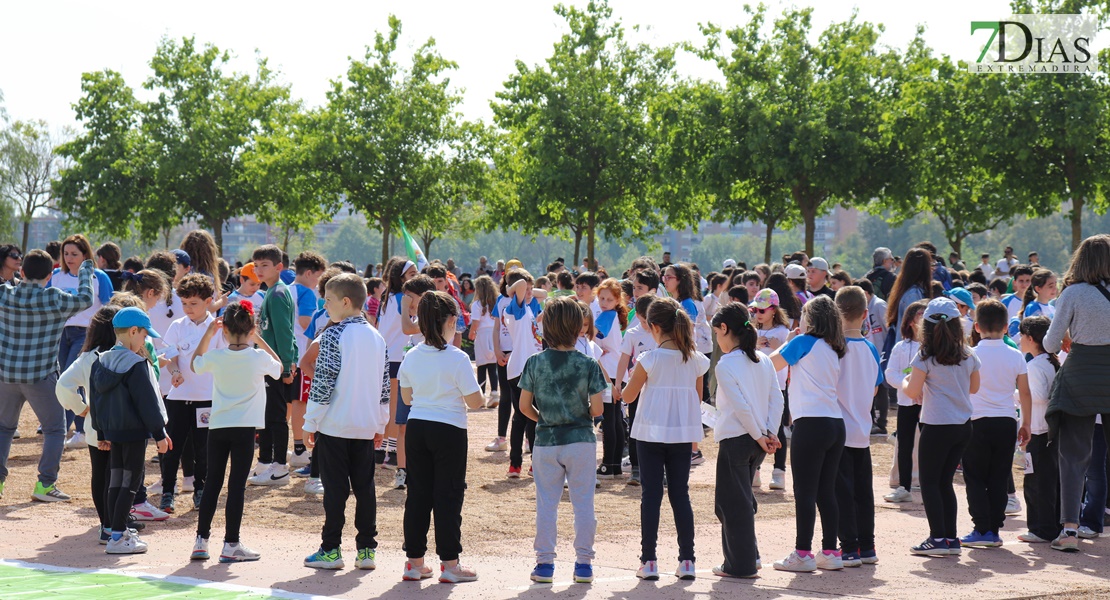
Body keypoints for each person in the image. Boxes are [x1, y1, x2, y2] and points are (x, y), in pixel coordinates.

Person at [517, 297, 607, 585]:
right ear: (577, 327)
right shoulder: (589, 364)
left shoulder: (534, 362)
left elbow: (523, 406)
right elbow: (598, 409)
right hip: (581, 439)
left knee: (546, 504)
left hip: (546, 440)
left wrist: (544, 418)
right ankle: (584, 563)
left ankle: (544, 564)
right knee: (584, 504)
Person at [302, 273, 389, 570]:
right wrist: (380, 424)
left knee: (335, 489)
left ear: (345, 301)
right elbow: (384, 386)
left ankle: (331, 549)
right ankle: (366, 550)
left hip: (336, 424)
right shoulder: (377, 337)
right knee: (365, 489)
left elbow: (323, 382)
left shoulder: (333, 334)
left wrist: (309, 422)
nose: (324, 305)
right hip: (365, 425)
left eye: (328, 299)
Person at [620, 297, 709, 581]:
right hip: (681, 434)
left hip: (649, 433)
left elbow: (628, 396)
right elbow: (697, 398)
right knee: (680, 494)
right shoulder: (694, 359)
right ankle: (687, 560)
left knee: (651, 495)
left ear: (655, 327)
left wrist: (629, 379)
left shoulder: (650, 358)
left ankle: (649, 560)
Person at [398, 291, 484, 583]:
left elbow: (407, 398)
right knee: (448, 496)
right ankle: (450, 564)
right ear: (449, 320)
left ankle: (414, 562)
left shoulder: (411, 355)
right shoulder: (457, 358)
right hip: (449, 428)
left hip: (418, 426)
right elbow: (476, 402)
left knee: (418, 495)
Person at [190, 301, 282, 563]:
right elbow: (279, 368)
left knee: (212, 485)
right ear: (252, 328)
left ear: (225, 330)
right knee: (236, 487)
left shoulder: (217, 357)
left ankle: (201, 540)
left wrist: (208, 333)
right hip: (244, 430)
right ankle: (231, 543)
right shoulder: (258, 357)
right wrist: (260, 340)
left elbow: (195, 364)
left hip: (218, 426)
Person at [0, 250, 95, 502]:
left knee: (3, 429)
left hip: (6, 374)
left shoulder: (4, 294)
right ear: (50, 275)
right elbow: (86, 298)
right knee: (55, 429)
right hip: (40, 375)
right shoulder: (54, 298)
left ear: (22, 272)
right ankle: (45, 485)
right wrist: (85, 271)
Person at [769, 296, 848, 572]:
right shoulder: (834, 346)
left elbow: (770, 364)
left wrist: (788, 341)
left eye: (803, 314)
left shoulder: (803, 342)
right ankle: (829, 551)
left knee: (804, 490)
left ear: (811, 319)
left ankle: (802, 552)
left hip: (811, 423)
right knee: (825, 490)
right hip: (834, 423)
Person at [1043, 234, 1110, 553]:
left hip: (1080, 376)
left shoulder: (1073, 293)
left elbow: (1050, 344)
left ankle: (1069, 530)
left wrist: (1073, 335)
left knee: (1073, 456)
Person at [902, 298, 981, 557]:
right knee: (945, 482)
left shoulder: (925, 356)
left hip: (937, 426)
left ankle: (937, 537)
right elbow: (974, 388)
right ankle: (950, 537)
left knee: (930, 483)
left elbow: (912, 391)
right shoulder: (969, 354)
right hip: (963, 426)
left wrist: (905, 382)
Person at [711, 302, 783, 579]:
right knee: (740, 500)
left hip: (738, 439)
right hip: (757, 441)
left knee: (732, 504)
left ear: (725, 329)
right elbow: (776, 398)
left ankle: (740, 565)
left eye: (717, 333)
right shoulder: (763, 359)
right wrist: (769, 433)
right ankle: (749, 557)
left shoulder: (727, 364)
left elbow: (741, 407)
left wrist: (761, 434)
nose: (717, 339)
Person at [90, 307, 170, 554]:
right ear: (133, 331)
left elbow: (96, 402)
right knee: (130, 484)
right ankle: (118, 537)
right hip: (134, 433)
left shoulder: (100, 360)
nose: (145, 341)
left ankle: (115, 530)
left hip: (112, 432)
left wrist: (101, 433)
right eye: (144, 335)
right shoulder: (137, 364)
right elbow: (147, 403)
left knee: (116, 481)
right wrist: (160, 434)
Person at [960, 299, 1032, 548]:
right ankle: (994, 528)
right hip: (1006, 420)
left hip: (975, 421)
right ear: (1005, 327)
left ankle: (981, 528)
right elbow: (1025, 393)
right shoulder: (1015, 355)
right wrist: (1026, 423)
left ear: (976, 326)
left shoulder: (969, 354)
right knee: (1000, 475)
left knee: (975, 476)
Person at [159, 273, 225, 513]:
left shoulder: (218, 328)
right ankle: (168, 492)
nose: (188, 308)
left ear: (209, 301)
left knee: (203, 449)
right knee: (171, 447)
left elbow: (223, 358)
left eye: (193, 304)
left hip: (206, 397)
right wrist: (175, 370)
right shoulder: (177, 326)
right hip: (177, 397)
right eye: (184, 303)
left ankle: (201, 490)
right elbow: (170, 354)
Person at [831, 287, 884, 567]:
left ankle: (849, 547)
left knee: (842, 493)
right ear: (865, 315)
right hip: (862, 429)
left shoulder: (833, 347)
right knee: (864, 492)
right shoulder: (870, 348)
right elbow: (876, 388)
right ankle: (867, 546)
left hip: (839, 430)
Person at [50, 234, 115, 449]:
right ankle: (72, 427)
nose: (69, 258)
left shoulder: (99, 277)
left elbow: (108, 306)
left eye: (74, 254)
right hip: (61, 333)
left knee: (71, 375)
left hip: (87, 334)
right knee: (63, 378)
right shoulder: (57, 275)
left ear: (85, 255)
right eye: (66, 253)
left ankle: (75, 429)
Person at [248, 245, 299, 487]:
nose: (258, 270)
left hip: (276, 366)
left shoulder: (278, 293)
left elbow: (284, 332)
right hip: (270, 365)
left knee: (276, 418)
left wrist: (287, 366)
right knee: (267, 417)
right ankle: (265, 463)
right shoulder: (272, 291)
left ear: (279, 267)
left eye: (264, 265)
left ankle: (279, 468)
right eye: (256, 265)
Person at [1017, 316, 1061, 544]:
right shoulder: (1050, 361)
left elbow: (1041, 397)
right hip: (1051, 430)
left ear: (1031, 339)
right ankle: (1052, 525)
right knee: (1050, 481)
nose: (1019, 339)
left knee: (1036, 482)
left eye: (1022, 335)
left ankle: (1041, 529)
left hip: (1039, 430)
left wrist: (1016, 395)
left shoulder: (1035, 365)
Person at [883, 300, 929, 503]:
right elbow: (890, 372)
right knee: (904, 444)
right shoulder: (901, 347)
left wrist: (921, 390)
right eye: (921, 314)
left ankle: (928, 485)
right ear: (910, 320)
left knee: (928, 444)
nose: (924, 318)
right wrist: (906, 385)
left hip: (928, 403)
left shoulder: (932, 348)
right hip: (905, 402)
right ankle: (904, 486)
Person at [613, 294, 658, 486]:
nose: (648, 323)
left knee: (656, 427)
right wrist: (618, 384)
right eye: (644, 318)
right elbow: (624, 359)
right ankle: (636, 469)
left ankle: (659, 470)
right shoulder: (632, 334)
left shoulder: (661, 332)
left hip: (657, 387)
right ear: (637, 315)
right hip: (636, 386)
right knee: (635, 426)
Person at [503, 270, 544, 478]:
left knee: (529, 418)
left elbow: (543, 294)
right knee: (525, 417)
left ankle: (530, 463)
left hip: (531, 369)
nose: (530, 293)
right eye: (526, 290)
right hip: (521, 369)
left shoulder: (527, 308)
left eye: (531, 289)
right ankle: (516, 463)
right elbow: (518, 285)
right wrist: (514, 289)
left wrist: (529, 289)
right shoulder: (514, 310)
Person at [378, 258, 418, 470]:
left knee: (388, 406)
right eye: (412, 274)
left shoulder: (388, 297)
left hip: (386, 357)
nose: (416, 276)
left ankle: (384, 449)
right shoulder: (404, 298)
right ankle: (392, 453)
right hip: (396, 359)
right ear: (400, 277)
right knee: (394, 408)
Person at [289, 252, 327, 472]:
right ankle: (301, 449)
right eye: (318, 277)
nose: (318, 283)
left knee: (296, 403)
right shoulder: (306, 292)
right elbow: (305, 322)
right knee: (302, 403)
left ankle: (299, 447)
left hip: (292, 355)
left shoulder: (285, 289)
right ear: (310, 272)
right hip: (304, 353)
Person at [750, 289, 790, 490]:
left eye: (762, 310)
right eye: (756, 309)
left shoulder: (783, 331)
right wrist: (753, 343)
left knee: (777, 429)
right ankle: (755, 471)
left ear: (773, 310)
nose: (758, 313)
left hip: (777, 387)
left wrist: (779, 345)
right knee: (756, 427)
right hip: (755, 386)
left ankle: (779, 471)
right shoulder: (752, 331)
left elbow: (789, 355)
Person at [594, 278, 626, 478]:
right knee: (615, 419)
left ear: (617, 300)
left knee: (610, 420)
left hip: (609, 371)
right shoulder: (612, 315)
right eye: (601, 298)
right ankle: (614, 465)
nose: (604, 302)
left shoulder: (606, 316)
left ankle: (608, 463)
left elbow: (591, 335)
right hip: (617, 370)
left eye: (608, 299)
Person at [470, 276, 500, 407]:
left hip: (482, 334)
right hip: (494, 334)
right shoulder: (497, 302)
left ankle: (481, 396)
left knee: (482, 366)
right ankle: (494, 393)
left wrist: (471, 332)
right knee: (493, 366)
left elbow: (475, 322)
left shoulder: (477, 305)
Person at [1008, 268, 1057, 338]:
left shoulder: (1052, 308)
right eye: (1051, 286)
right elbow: (1037, 335)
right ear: (1038, 289)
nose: (1055, 289)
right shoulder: (1033, 307)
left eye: (1055, 285)